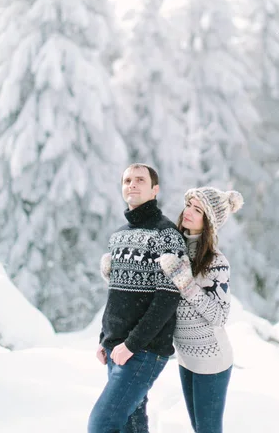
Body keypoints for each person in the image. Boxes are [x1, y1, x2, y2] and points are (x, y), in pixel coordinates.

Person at [88, 163, 186, 433]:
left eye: (140, 180)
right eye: (127, 180)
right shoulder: (119, 236)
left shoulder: (167, 235)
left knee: (101, 424)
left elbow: (167, 299)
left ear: (155, 189)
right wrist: (103, 339)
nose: (132, 184)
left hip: (144, 350)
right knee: (130, 425)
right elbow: (117, 295)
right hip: (116, 349)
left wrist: (131, 344)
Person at [159, 186, 243, 433]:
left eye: (198, 210)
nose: (189, 212)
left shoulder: (216, 262)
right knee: (198, 428)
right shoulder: (173, 250)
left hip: (212, 360)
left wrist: (185, 282)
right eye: (189, 205)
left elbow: (219, 316)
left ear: (209, 222)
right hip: (185, 357)